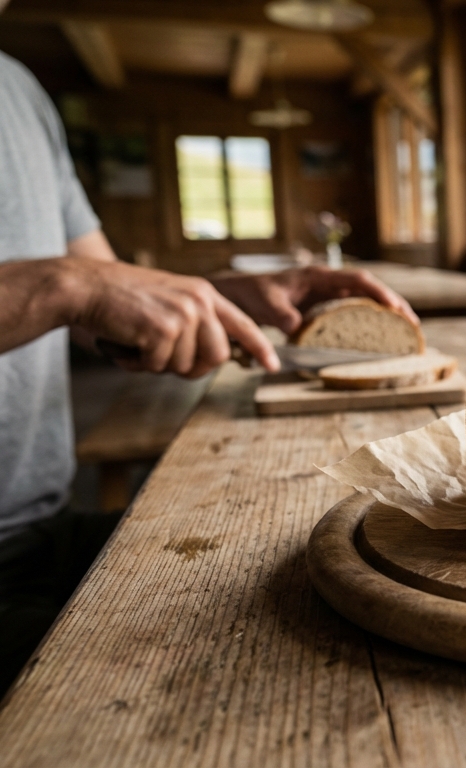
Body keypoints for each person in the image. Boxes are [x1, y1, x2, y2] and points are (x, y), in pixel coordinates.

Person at [0, 42, 417, 693]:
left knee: (320, 561)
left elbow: (95, 302)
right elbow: (74, 288)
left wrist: (223, 298)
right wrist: (62, 284)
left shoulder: (19, 88)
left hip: (39, 530)